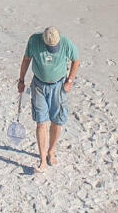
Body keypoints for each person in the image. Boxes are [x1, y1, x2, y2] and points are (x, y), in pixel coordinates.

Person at [17, 25, 83, 173]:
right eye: (49, 47)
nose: (52, 49)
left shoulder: (65, 43)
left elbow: (76, 61)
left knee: (57, 121)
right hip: (39, 86)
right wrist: (21, 80)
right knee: (41, 122)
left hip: (58, 87)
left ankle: (51, 152)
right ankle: (42, 160)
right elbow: (26, 60)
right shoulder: (34, 41)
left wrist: (70, 81)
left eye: (54, 47)